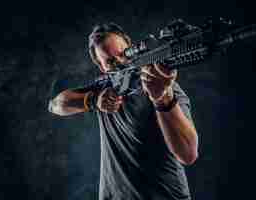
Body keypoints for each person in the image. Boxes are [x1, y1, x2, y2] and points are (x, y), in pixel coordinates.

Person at [48, 23, 199, 200]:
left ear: (133, 48)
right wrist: (92, 100)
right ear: (102, 68)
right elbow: (55, 105)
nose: (120, 62)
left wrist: (163, 99)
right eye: (110, 61)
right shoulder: (103, 87)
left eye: (124, 54)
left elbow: (188, 154)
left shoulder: (163, 85)